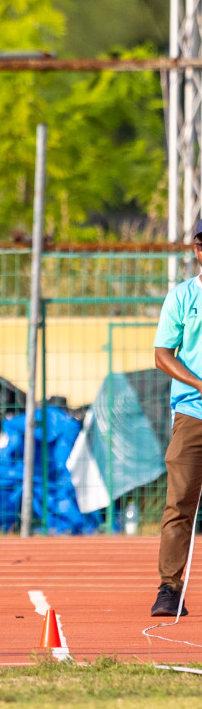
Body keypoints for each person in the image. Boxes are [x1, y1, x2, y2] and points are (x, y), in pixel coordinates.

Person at [152, 222, 202, 616]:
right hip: (193, 413)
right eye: (201, 244)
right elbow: (163, 354)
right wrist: (199, 384)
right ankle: (170, 588)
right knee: (180, 500)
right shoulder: (183, 296)